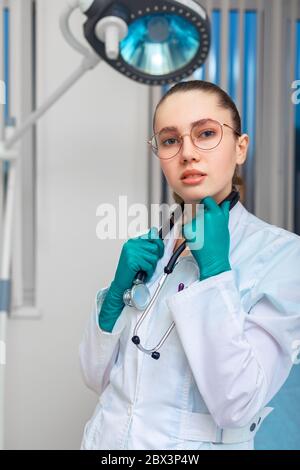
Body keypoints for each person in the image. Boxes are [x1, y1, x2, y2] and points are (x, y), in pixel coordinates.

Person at [79, 80, 300, 450]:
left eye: (206, 134)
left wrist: (215, 272)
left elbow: (238, 405)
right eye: (169, 140)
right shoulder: (151, 248)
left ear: (240, 148)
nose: (187, 153)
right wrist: (115, 297)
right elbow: (94, 378)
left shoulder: (282, 255)